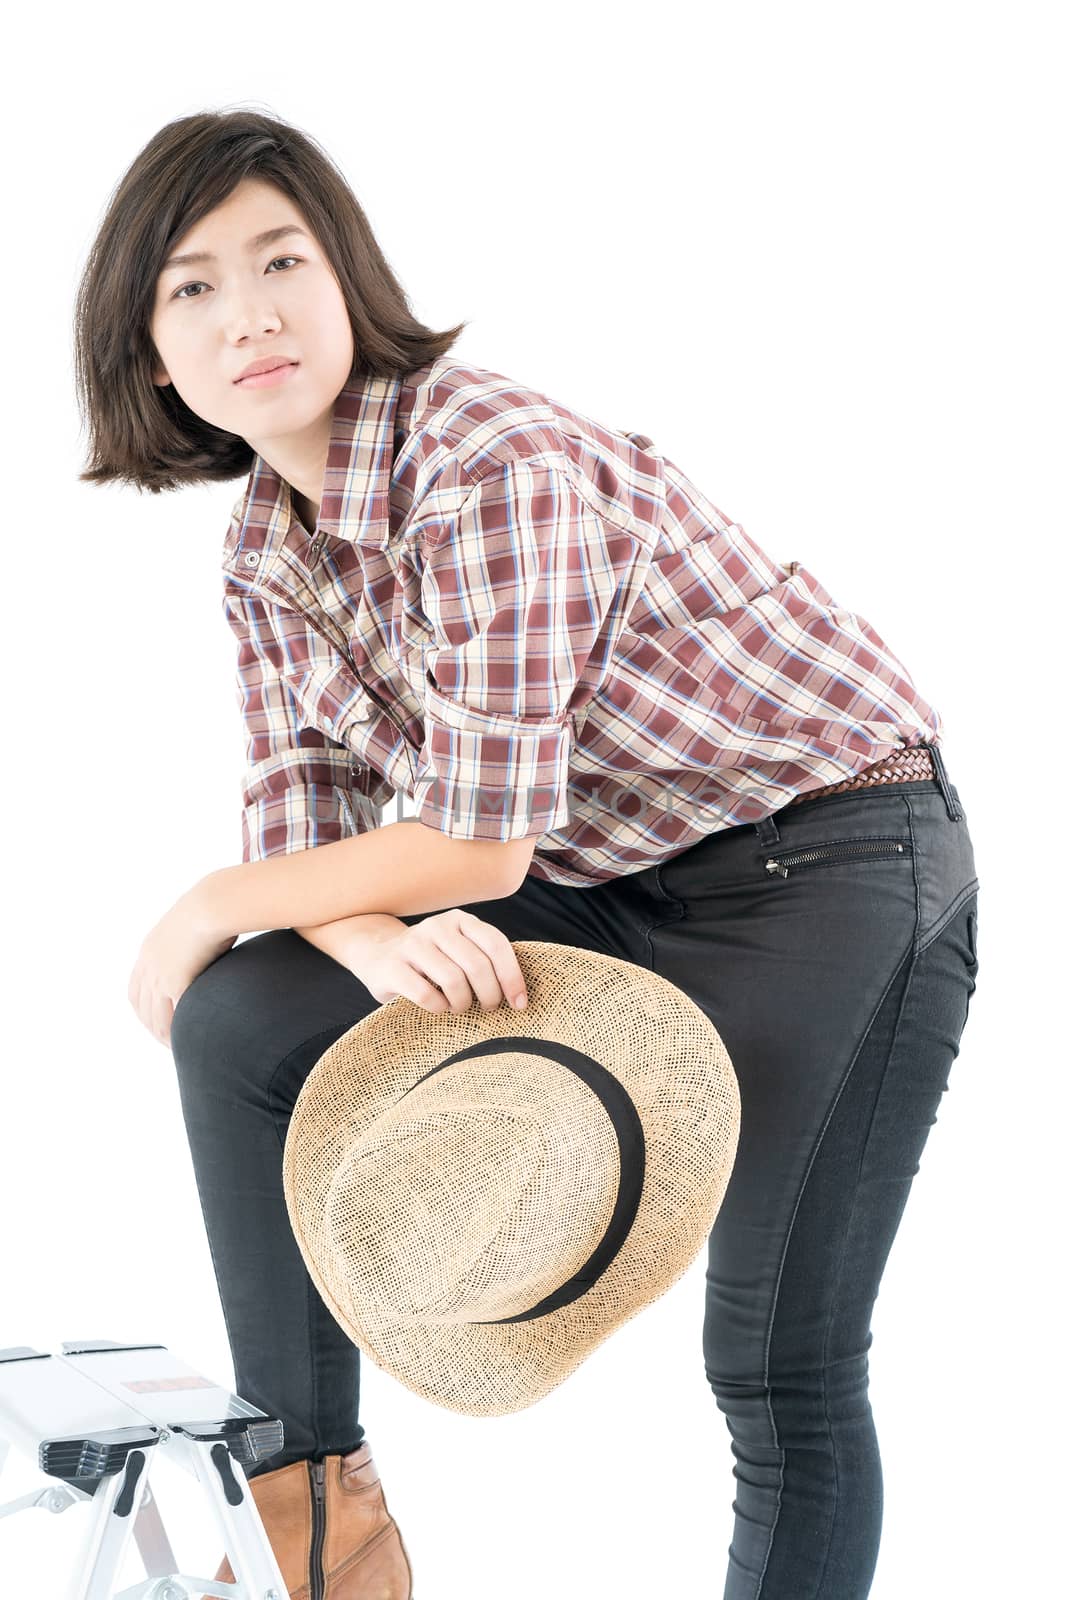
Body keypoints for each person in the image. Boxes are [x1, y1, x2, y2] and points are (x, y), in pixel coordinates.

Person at [74, 106, 981, 1600]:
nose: (249, 314)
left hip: (830, 849)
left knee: (775, 1358)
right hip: (612, 859)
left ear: (347, 275)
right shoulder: (259, 549)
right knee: (245, 1016)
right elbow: (312, 819)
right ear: (150, 355)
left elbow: (479, 845)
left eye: (281, 258)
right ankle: (316, 1539)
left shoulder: (483, 460)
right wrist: (368, 937)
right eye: (191, 287)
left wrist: (211, 903)